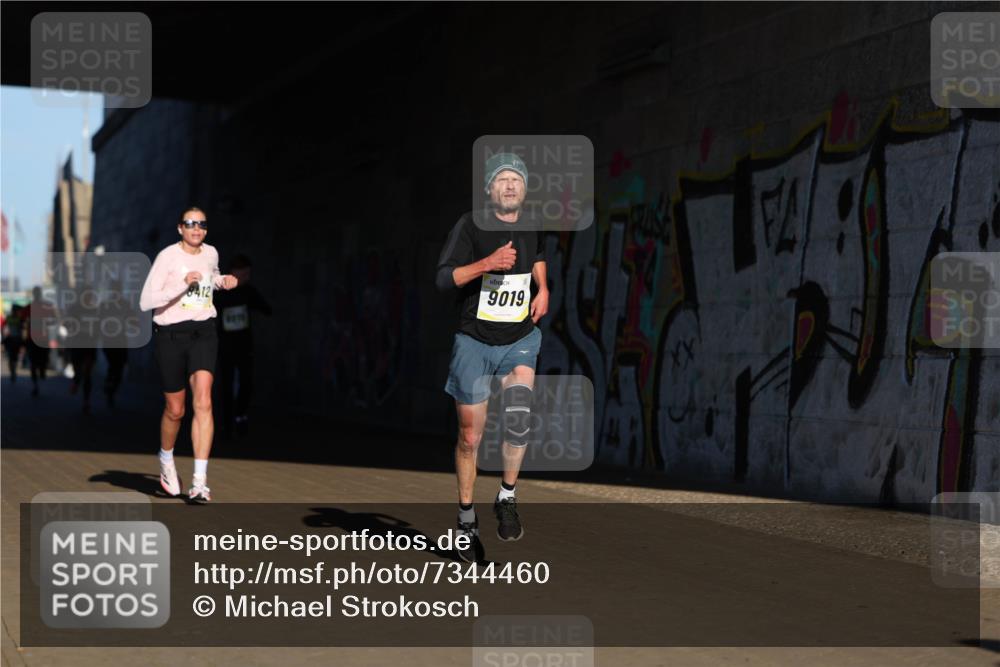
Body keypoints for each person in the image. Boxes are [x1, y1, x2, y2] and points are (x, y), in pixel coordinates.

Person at [435, 153, 548, 562]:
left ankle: (507, 496)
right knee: (470, 437)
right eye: (502, 179)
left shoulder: (532, 223)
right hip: (474, 341)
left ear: (525, 188)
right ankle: (466, 520)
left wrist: (543, 288)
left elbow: (538, 255)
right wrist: (487, 264)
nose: (510, 185)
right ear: (489, 189)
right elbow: (443, 278)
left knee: (519, 415)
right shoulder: (470, 225)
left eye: (516, 179)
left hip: (519, 337)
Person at [139, 207, 238, 502]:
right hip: (170, 335)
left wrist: (223, 281)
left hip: (203, 332)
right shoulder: (167, 257)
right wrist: (182, 285)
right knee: (176, 410)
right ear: (180, 228)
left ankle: (199, 482)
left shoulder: (211, 253)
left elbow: (212, 277)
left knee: (204, 401)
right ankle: (166, 459)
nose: (197, 228)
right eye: (191, 223)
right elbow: (145, 301)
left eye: (202, 224)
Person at [214, 254, 271, 438]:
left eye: (248, 274)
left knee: (247, 382)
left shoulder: (249, 292)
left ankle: (240, 416)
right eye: (244, 273)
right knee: (227, 384)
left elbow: (266, 308)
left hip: (245, 346)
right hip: (226, 346)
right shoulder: (221, 293)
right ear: (233, 272)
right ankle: (227, 423)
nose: (247, 277)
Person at [23, 286, 56, 397]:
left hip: (39, 338)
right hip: (37, 338)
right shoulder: (40, 306)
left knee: (37, 361)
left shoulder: (31, 307)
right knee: (37, 361)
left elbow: (23, 321)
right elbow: (53, 320)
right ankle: (37, 382)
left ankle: (39, 376)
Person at [2, 304, 24, 382]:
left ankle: (13, 370)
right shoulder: (18, 319)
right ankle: (13, 370)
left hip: (13, 340)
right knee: (13, 357)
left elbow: (3, 327)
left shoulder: (11, 318)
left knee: (12, 357)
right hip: (14, 340)